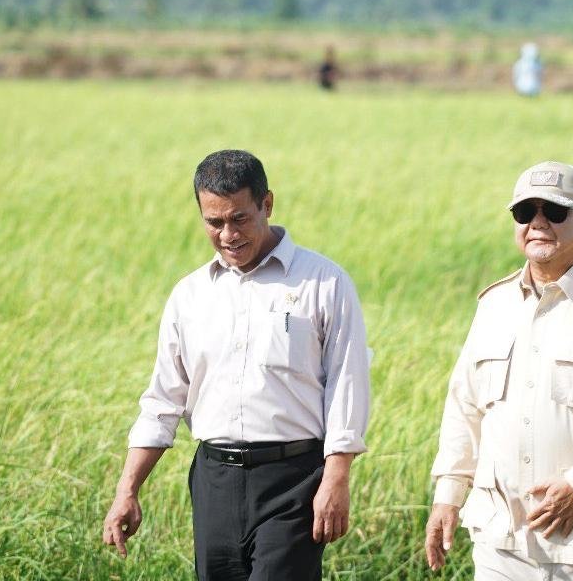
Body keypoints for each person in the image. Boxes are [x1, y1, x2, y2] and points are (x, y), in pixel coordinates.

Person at [101, 149, 371, 581]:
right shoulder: (189, 296)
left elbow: (347, 384)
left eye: (239, 218)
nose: (228, 234)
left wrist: (336, 479)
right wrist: (127, 489)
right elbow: (163, 400)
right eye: (214, 222)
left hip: (294, 482)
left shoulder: (325, 283)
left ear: (267, 204)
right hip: (214, 482)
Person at [424, 161, 573, 580]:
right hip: (503, 543)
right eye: (525, 213)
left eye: (555, 212)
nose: (538, 223)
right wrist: (448, 495)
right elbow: (464, 407)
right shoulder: (494, 305)